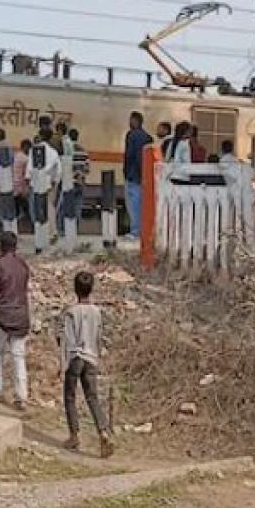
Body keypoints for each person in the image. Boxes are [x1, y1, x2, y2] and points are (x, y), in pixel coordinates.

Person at [57, 271, 114, 458]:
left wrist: (62, 363)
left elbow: (66, 340)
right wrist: (97, 357)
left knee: (70, 397)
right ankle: (103, 431)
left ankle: (74, 435)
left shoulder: (71, 312)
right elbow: (99, 337)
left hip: (75, 358)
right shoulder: (97, 312)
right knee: (92, 398)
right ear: (91, 289)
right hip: (91, 358)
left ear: (75, 289)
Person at [0, 231, 31, 410]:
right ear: (16, 246)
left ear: (1, 246)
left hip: (2, 316)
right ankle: (21, 397)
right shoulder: (23, 265)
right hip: (21, 317)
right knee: (19, 356)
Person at [27, 130, 61, 254]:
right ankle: (52, 232)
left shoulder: (34, 151)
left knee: (37, 211)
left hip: (37, 184)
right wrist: (54, 181)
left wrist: (31, 182)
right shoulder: (54, 152)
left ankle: (41, 240)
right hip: (50, 183)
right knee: (49, 207)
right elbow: (58, 169)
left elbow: (30, 169)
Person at [122, 112, 153, 242]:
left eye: (130, 120)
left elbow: (129, 155)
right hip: (144, 174)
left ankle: (135, 231)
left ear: (135, 121)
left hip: (133, 174)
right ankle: (143, 230)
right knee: (142, 204)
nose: (129, 122)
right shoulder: (148, 137)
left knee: (132, 203)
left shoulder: (131, 135)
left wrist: (126, 171)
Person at [13, 139, 31, 228]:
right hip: (20, 187)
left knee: (16, 209)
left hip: (13, 186)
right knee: (27, 209)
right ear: (25, 147)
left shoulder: (16, 155)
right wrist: (25, 190)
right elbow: (25, 175)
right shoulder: (25, 159)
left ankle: (14, 227)